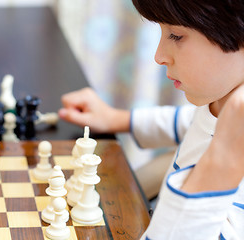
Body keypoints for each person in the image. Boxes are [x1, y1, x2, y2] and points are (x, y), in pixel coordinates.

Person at [58, 0, 244, 239]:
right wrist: (117, 119)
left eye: (176, 35)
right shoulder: (219, 104)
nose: (159, 56)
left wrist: (221, 163)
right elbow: (189, 122)